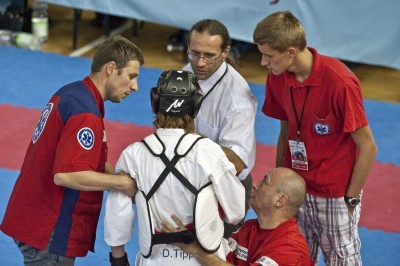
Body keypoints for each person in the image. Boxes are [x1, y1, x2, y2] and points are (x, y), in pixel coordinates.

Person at [0, 35, 144, 265]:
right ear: (111, 68)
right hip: (49, 228)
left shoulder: (73, 94)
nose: (135, 86)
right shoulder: (85, 112)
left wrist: (119, 174)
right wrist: (122, 184)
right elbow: (67, 174)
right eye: (132, 76)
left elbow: (88, 159)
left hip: (36, 217)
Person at [253, 11, 378, 265]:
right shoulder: (277, 77)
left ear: (290, 52)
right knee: (292, 256)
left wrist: (351, 197)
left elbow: (367, 146)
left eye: (268, 55)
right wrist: (280, 180)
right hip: (294, 191)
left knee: (341, 259)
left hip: (334, 194)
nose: (263, 62)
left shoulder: (340, 82)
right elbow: (285, 131)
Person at [104, 70, 245, 266]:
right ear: (195, 105)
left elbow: (117, 213)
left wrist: (118, 260)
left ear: (155, 102)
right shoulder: (208, 152)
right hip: (202, 257)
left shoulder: (134, 154)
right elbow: (236, 211)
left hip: (154, 259)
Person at [184, 19, 257, 237]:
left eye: (209, 55)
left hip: (227, 188)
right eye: (194, 53)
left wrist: (188, 138)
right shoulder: (188, 71)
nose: (200, 63)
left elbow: (235, 162)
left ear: (225, 52)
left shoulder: (237, 99)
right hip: (188, 179)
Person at [162, 167, 313, 266]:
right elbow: (221, 259)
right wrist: (192, 237)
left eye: (265, 182)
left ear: (280, 200)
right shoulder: (249, 228)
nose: (255, 184)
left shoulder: (290, 249)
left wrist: (195, 249)